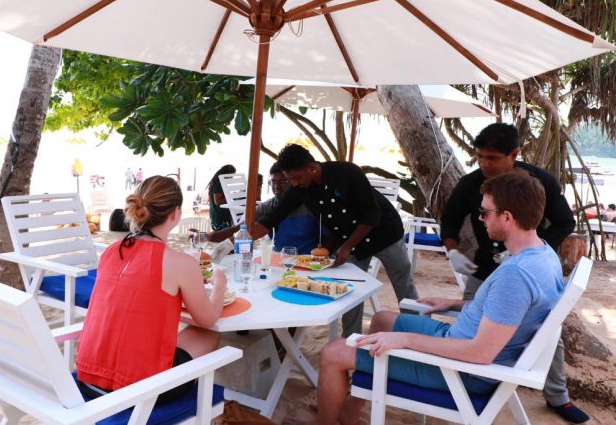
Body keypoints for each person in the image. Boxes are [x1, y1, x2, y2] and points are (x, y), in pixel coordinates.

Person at [317, 171, 564, 425]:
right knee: (381, 320)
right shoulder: (544, 254)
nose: (480, 219)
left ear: (507, 217)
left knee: (332, 352)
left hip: (461, 371)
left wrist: (405, 340)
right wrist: (456, 304)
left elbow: (480, 353)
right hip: (459, 343)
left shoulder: (516, 275)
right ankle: (350, 409)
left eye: (485, 212)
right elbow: (509, 310)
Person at [440, 123, 587, 423]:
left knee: (547, 334)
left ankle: (558, 397)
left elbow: (565, 221)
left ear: (514, 154)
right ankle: (464, 385)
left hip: (527, 267)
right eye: (479, 156)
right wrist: (452, 251)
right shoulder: (471, 184)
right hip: (484, 269)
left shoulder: (538, 182)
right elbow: (450, 219)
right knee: (472, 319)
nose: (484, 164)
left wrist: (530, 249)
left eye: (492, 158)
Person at [76, 176, 227, 404]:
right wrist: (220, 284)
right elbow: (208, 319)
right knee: (209, 333)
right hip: (142, 391)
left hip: (88, 379)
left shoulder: (111, 251)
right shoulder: (181, 263)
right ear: (175, 214)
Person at [250, 144, 417, 337]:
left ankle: (417, 330)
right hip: (351, 240)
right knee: (351, 291)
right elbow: (273, 218)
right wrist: (244, 238)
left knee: (403, 283)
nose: (293, 184)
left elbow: (371, 214)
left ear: (311, 168)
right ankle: (350, 338)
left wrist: (346, 247)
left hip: (384, 233)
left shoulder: (347, 172)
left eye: (297, 178)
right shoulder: (300, 189)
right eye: (290, 179)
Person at [208, 162, 323, 254]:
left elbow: (329, 237)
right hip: (279, 260)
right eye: (273, 182)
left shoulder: (311, 205)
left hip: (309, 262)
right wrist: (207, 237)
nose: (276, 186)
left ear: (293, 181)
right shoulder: (267, 206)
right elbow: (240, 229)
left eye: (283, 182)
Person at [207, 164, 236, 231]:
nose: (232, 178)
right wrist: (231, 198)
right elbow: (218, 201)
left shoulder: (220, 183)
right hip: (220, 220)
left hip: (220, 218)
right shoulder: (219, 183)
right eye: (232, 175)